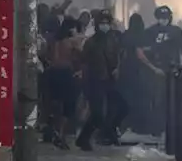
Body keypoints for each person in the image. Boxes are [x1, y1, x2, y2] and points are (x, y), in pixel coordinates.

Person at [77, 12, 126, 149]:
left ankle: (109, 132)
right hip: (94, 81)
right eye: (102, 23)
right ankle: (84, 139)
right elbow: (84, 62)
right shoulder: (91, 42)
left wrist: (117, 68)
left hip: (109, 80)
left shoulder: (113, 39)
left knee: (122, 107)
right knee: (97, 114)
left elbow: (119, 56)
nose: (104, 26)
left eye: (107, 23)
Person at [43, 19, 83, 149]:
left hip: (52, 73)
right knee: (68, 106)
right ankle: (61, 135)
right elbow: (82, 52)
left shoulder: (54, 41)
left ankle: (53, 130)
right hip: (65, 73)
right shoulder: (71, 41)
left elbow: (46, 55)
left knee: (54, 104)